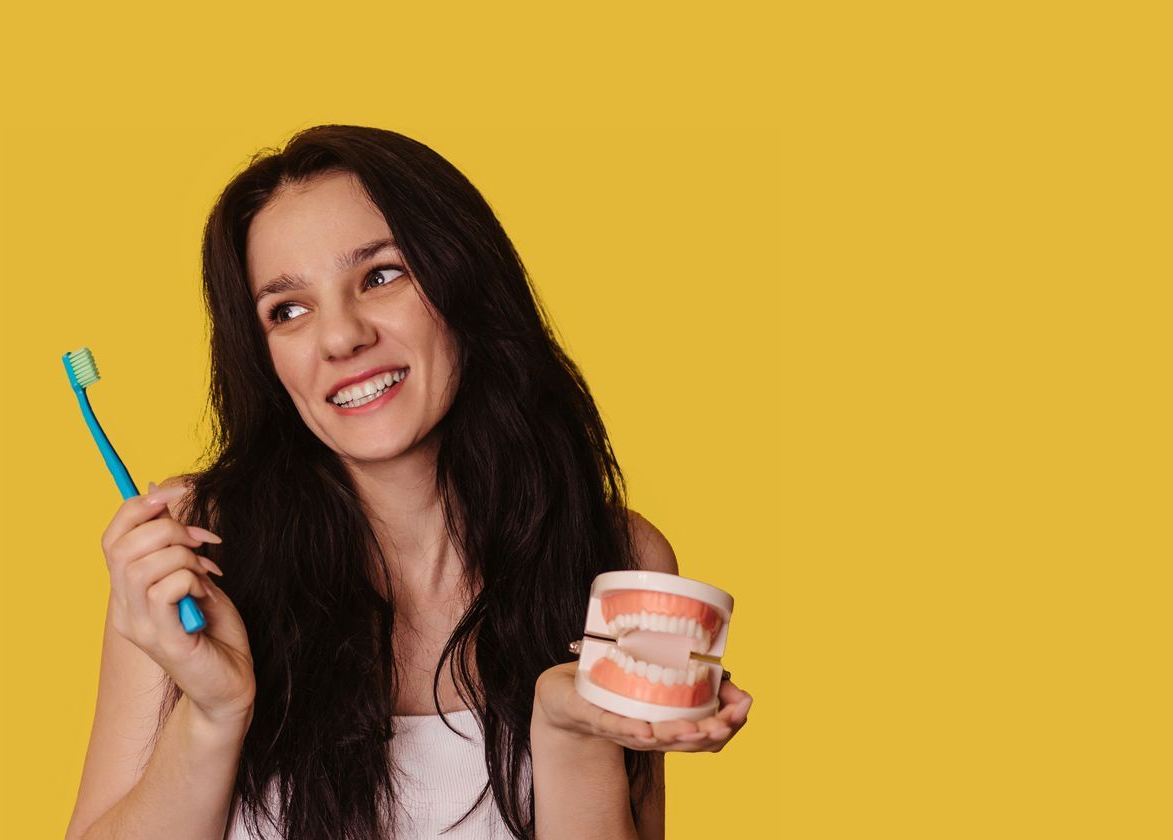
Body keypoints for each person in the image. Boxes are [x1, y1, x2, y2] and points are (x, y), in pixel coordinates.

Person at [65, 125, 753, 840]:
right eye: (287, 310)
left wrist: (571, 733)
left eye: (380, 275)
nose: (341, 337)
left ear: (462, 281)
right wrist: (213, 713)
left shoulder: (619, 562)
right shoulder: (191, 550)